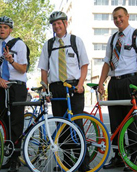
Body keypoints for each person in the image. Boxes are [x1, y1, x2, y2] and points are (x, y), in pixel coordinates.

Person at [38, 11, 90, 172]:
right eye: (54, 24)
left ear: (66, 23)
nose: (56, 26)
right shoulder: (48, 45)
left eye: (59, 23)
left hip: (74, 87)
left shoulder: (76, 41)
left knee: (77, 125)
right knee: (62, 126)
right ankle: (67, 163)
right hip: (56, 88)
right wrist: (45, 89)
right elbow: (44, 70)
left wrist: (81, 84)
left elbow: (84, 65)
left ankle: (83, 163)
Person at [98, 6, 137, 171]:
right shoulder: (113, 38)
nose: (118, 20)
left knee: (132, 124)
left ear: (127, 16)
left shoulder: (135, 35)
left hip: (130, 81)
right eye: (115, 18)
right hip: (114, 82)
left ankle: (134, 159)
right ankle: (118, 157)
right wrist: (101, 83)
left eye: (120, 16)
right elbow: (107, 62)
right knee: (116, 122)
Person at [0, 16, 28, 172]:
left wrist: (11, 61)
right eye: (0, 27)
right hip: (2, 86)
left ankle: (15, 159)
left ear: (10, 29)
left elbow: (23, 69)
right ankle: (9, 155)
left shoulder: (19, 44)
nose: (2, 29)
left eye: (5, 27)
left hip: (17, 87)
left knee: (16, 122)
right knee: (4, 121)